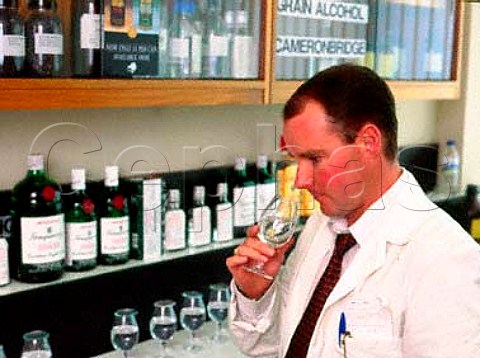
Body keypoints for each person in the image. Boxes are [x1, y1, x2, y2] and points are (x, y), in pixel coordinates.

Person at [226, 64, 480, 357]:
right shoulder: (322, 224)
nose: (300, 180)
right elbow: (277, 346)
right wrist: (256, 294)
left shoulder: (446, 260)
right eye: (296, 159)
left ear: (368, 142)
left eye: (315, 158)